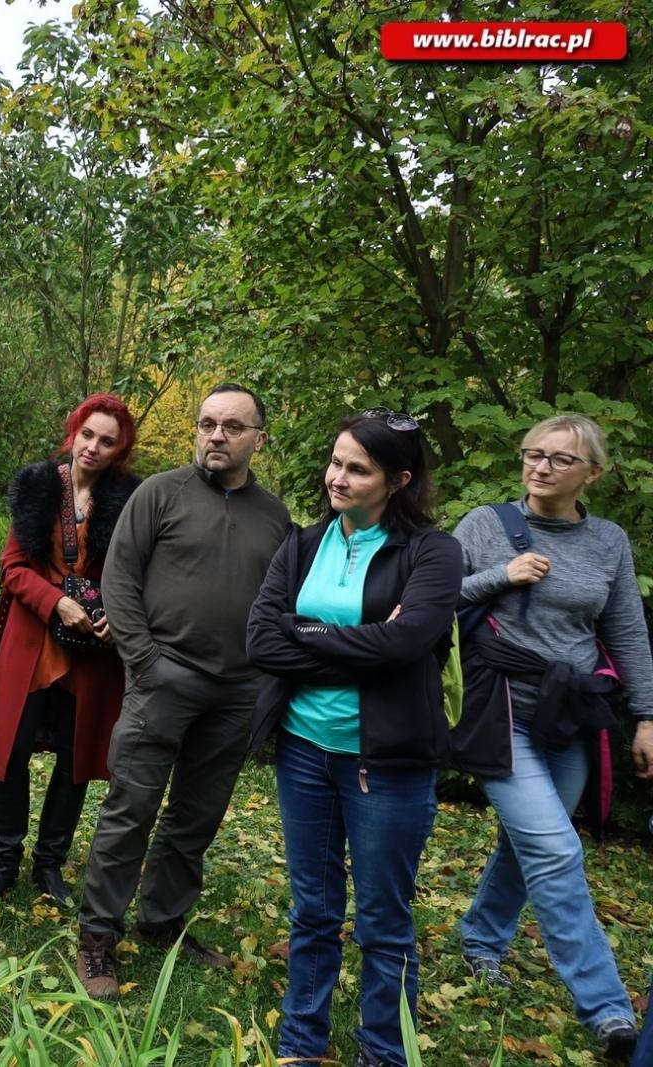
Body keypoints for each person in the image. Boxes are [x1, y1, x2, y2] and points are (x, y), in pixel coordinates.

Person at [246, 409, 461, 1067]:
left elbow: (407, 642)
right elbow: (261, 639)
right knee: (312, 910)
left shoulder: (433, 552)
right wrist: (362, 645)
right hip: (304, 749)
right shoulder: (303, 544)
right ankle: (301, 1045)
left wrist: (306, 632)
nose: (337, 477)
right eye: (335, 462)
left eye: (357, 469)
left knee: (383, 922)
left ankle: (384, 1052)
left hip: (386, 761)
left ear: (398, 480)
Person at [451, 413, 653, 1060]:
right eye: (532, 453)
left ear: (592, 473)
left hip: (570, 717)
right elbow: (431, 598)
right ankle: (608, 1009)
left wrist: (647, 715)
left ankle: (481, 939)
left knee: (529, 844)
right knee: (555, 849)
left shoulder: (608, 541)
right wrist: (501, 575)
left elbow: (626, 631)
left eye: (560, 458)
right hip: (501, 712)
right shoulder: (485, 525)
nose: (540, 466)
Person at [75, 383, 289, 995]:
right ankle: (97, 938)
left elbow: (281, 601)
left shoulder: (274, 516)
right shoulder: (160, 493)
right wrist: (145, 663)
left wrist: (263, 677)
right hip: (162, 680)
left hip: (237, 694)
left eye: (232, 426)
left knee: (196, 817)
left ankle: (162, 921)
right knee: (130, 809)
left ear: (258, 440)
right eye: (207, 423)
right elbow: (119, 579)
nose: (216, 435)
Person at [0, 393, 140, 906]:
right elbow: (13, 568)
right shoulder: (40, 486)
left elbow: (140, 575)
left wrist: (118, 617)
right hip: (34, 642)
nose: (93, 447)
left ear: (119, 449)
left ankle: (49, 866)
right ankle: (4, 863)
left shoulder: (130, 501)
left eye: (106, 441)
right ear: (73, 432)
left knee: (74, 757)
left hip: (92, 651)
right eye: (87, 435)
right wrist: (56, 603)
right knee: (13, 752)